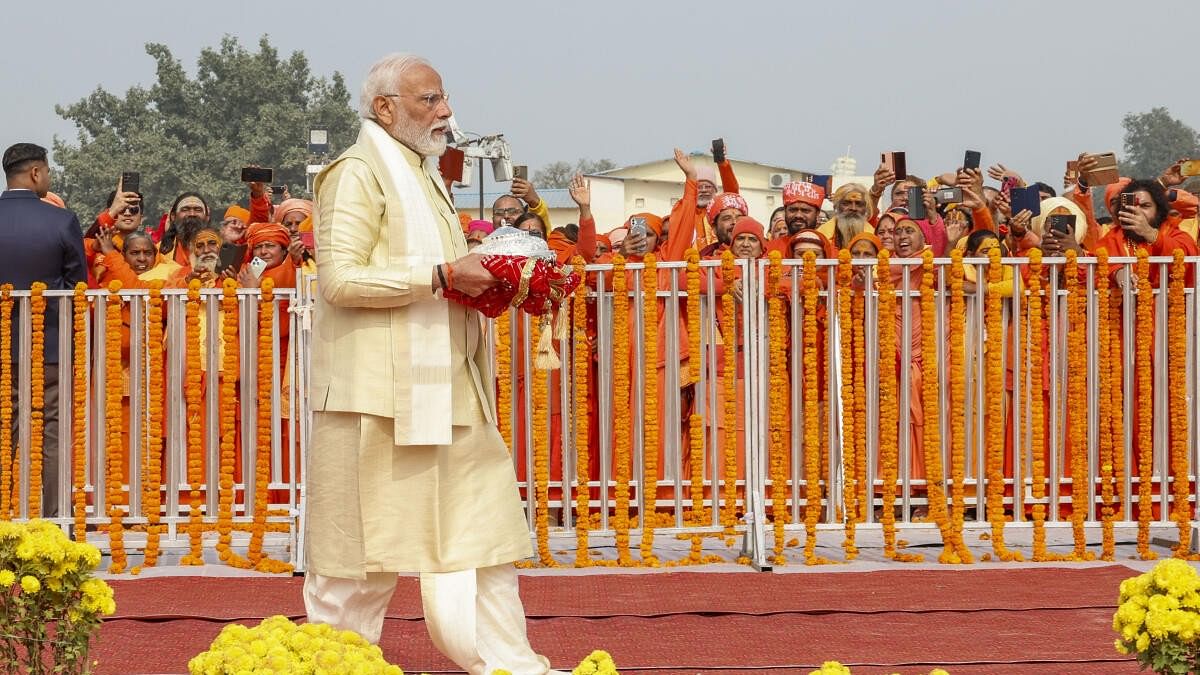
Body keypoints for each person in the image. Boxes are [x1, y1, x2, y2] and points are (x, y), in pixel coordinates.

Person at [304, 53, 559, 674]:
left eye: (444, 98)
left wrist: (495, 275)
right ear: (385, 109)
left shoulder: (423, 173)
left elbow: (438, 272)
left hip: (449, 390)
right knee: (358, 566)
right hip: (374, 401)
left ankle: (512, 668)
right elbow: (340, 280)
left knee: (485, 540)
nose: (446, 112)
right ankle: (331, 667)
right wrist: (445, 274)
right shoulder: (357, 173)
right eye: (429, 100)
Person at [0, 142, 87, 517]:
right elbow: (76, 287)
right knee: (50, 434)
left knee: (4, 434)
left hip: (2, 349)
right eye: (47, 173)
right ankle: (52, 522)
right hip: (47, 347)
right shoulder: (60, 221)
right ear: (36, 173)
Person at [819, 183, 875, 248]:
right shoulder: (821, 236)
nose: (853, 208)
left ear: (865, 208)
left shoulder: (874, 237)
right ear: (836, 206)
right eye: (846, 203)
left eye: (859, 204)